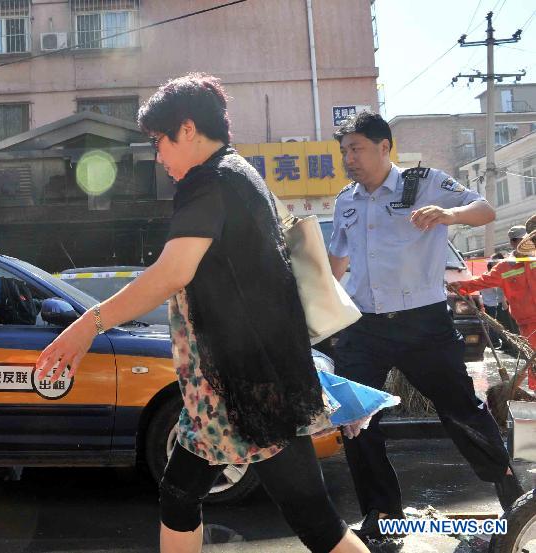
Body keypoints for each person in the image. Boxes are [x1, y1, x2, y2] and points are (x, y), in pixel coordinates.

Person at [35, 73, 368, 553]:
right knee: (179, 493)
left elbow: (173, 271)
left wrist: (87, 325)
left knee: (313, 518)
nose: (158, 156)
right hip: (224, 384)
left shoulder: (208, 181)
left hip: (248, 385)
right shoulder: (238, 174)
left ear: (186, 129)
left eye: (159, 142)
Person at [327, 111, 522, 540]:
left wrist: (447, 215)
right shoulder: (347, 200)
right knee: (355, 420)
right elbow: (336, 262)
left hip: (423, 324)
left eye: (356, 149)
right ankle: (382, 518)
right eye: (344, 151)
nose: (349, 159)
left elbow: (484, 210)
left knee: (462, 412)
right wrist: (320, 303)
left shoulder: (424, 182)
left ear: (384, 146)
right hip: (364, 327)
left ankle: (515, 499)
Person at [449, 215, 536, 373]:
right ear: (513, 243)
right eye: (519, 240)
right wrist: (459, 286)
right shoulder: (504, 268)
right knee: (533, 362)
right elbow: (481, 282)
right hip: (528, 323)